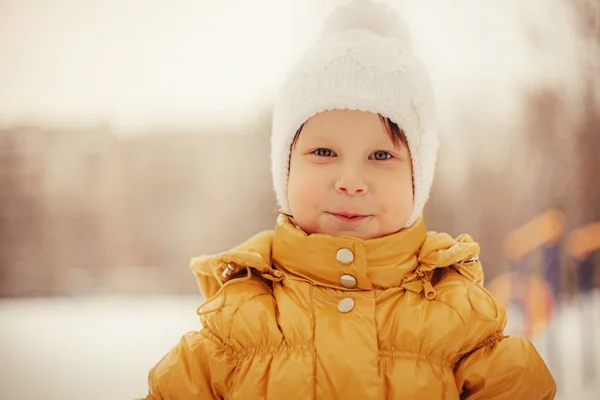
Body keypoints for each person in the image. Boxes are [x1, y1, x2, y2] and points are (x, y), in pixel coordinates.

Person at [143, 1, 556, 398]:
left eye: (381, 155)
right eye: (324, 153)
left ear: (418, 177)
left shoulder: (463, 324)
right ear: (285, 169)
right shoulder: (235, 325)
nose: (351, 182)